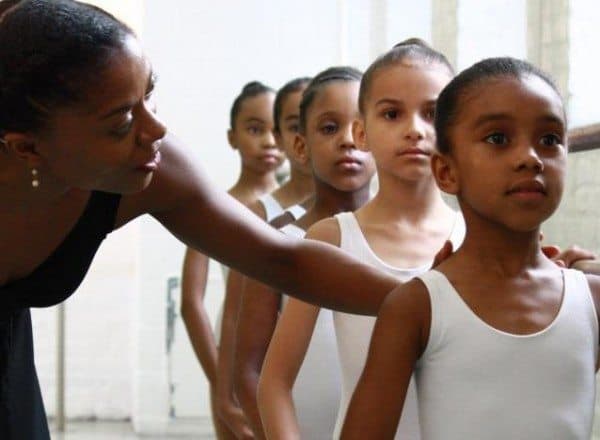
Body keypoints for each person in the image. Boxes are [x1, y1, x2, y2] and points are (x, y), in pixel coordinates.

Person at [0, 1, 404, 438]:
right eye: (121, 122)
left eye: (148, 94)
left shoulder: (155, 166)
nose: (155, 129)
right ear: (27, 148)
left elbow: (283, 260)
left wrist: (428, 300)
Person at [341, 57, 600, 440]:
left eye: (549, 140)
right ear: (446, 172)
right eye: (498, 138)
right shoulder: (418, 306)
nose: (531, 157)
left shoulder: (590, 300)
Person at [257, 39, 463, 440]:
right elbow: (275, 382)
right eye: (392, 113)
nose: (414, 130)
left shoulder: (475, 237)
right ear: (362, 132)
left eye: (432, 113)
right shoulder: (331, 239)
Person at [236, 66, 372, 438]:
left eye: (360, 128)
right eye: (329, 128)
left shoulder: (403, 244)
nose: (348, 140)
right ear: (300, 145)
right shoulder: (276, 242)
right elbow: (247, 370)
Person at [180, 80, 283, 439]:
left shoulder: (300, 210)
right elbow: (192, 303)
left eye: (277, 129)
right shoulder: (213, 209)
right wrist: (220, 381)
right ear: (232, 136)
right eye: (255, 129)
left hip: (285, 355)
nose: (269, 141)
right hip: (233, 356)